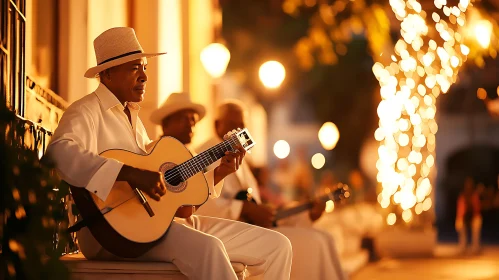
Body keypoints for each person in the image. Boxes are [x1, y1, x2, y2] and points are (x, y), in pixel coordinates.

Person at [45, 27, 292, 280]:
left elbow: (171, 194)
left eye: (144, 67)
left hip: (155, 224)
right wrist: (130, 173)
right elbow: (59, 153)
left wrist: (219, 173)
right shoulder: (86, 110)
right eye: (134, 68)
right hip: (105, 232)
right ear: (107, 73)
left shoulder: (134, 120)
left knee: (276, 247)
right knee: (210, 248)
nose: (144, 76)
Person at [193, 100, 347, 280]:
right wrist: (244, 209)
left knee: (325, 237)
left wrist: (307, 214)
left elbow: (258, 207)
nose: (237, 132)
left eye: (242, 126)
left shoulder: (241, 159)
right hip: (226, 235)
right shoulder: (204, 154)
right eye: (232, 125)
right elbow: (201, 201)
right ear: (217, 125)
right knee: (314, 242)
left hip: (252, 230)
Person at [455, 176, 482, 254]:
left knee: (476, 226)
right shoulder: (463, 195)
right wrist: (459, 218)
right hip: (464, 217)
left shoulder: (474, 195)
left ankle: (475, 247)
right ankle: (462, 247)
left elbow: (477, 208)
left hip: (474, 217)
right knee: (462, 231)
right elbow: (460, 208)